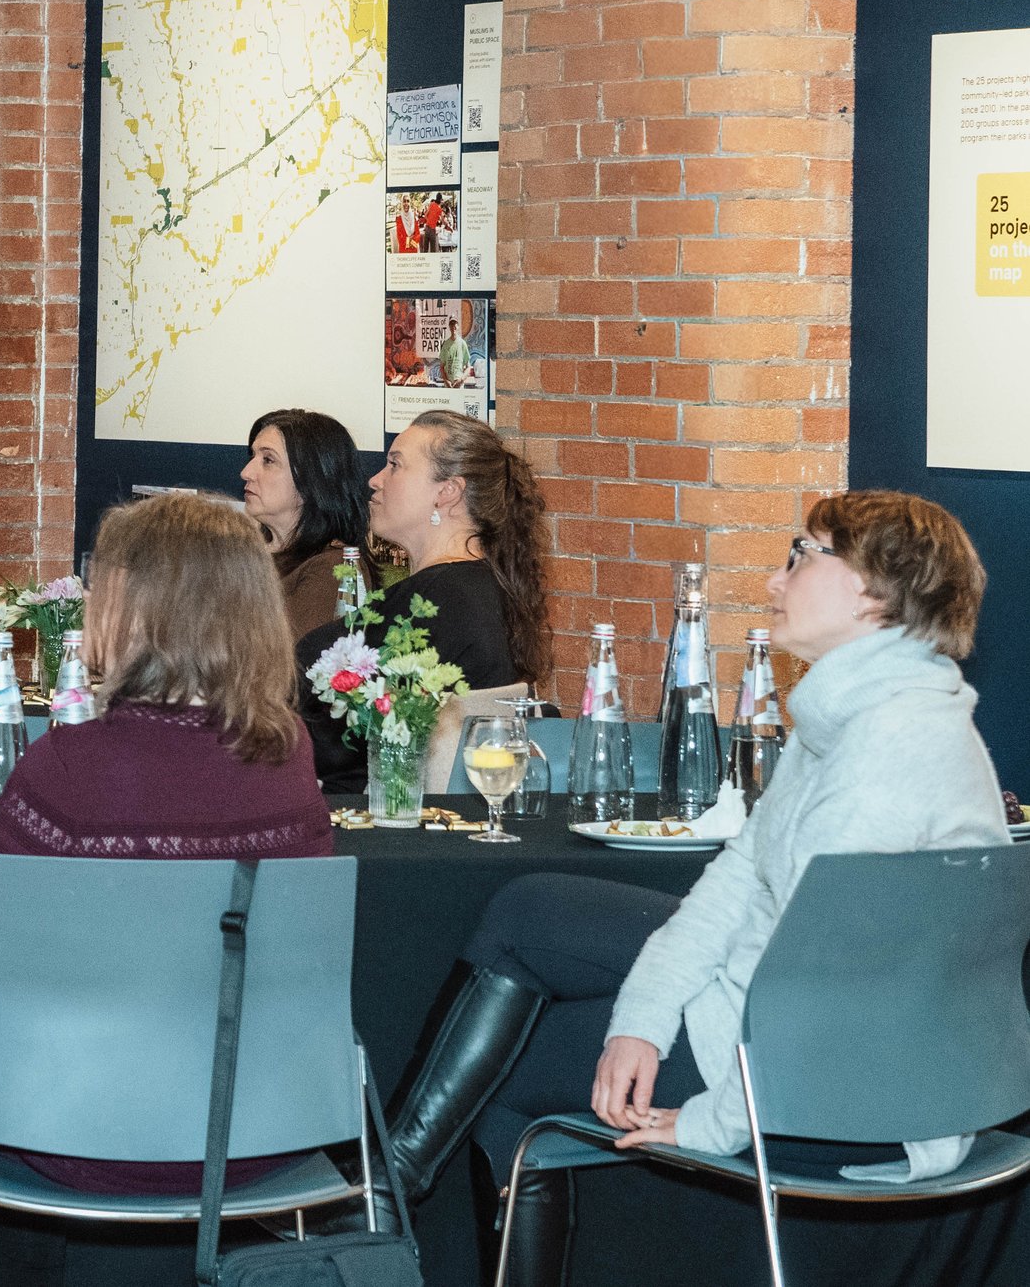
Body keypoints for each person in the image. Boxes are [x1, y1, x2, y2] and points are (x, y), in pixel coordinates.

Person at [374, 492, 1008, 1287]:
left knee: (507, 1072)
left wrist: (714, 1123)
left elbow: (817, 994)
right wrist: (640, 1020)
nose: (777, 582)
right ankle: (386, 1187)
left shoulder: (887, 748)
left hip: (840, 1090)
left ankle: (382, 1200)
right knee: (529, 904)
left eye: (800, 555)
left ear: (870, 591)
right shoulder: (866, 712)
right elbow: (739, 880)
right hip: (823, 1043)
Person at [0, 492, 336, 1278]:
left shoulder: (71, 765)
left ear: (132, 609)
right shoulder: (291, 760)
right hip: (250, 1132)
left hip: (74, 1137)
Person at [294, 410, 550, 790]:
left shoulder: (439, 601)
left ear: (447, 492)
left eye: (395, 466)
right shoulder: (483, 587)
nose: (375, 481)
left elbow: (350, 739)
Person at [241, 408, 368, 635]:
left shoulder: (334, 569)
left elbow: (288, 662)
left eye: (268, 460)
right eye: (253, 457)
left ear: (312, 480)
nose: (246, 472)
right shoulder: (245, 552)